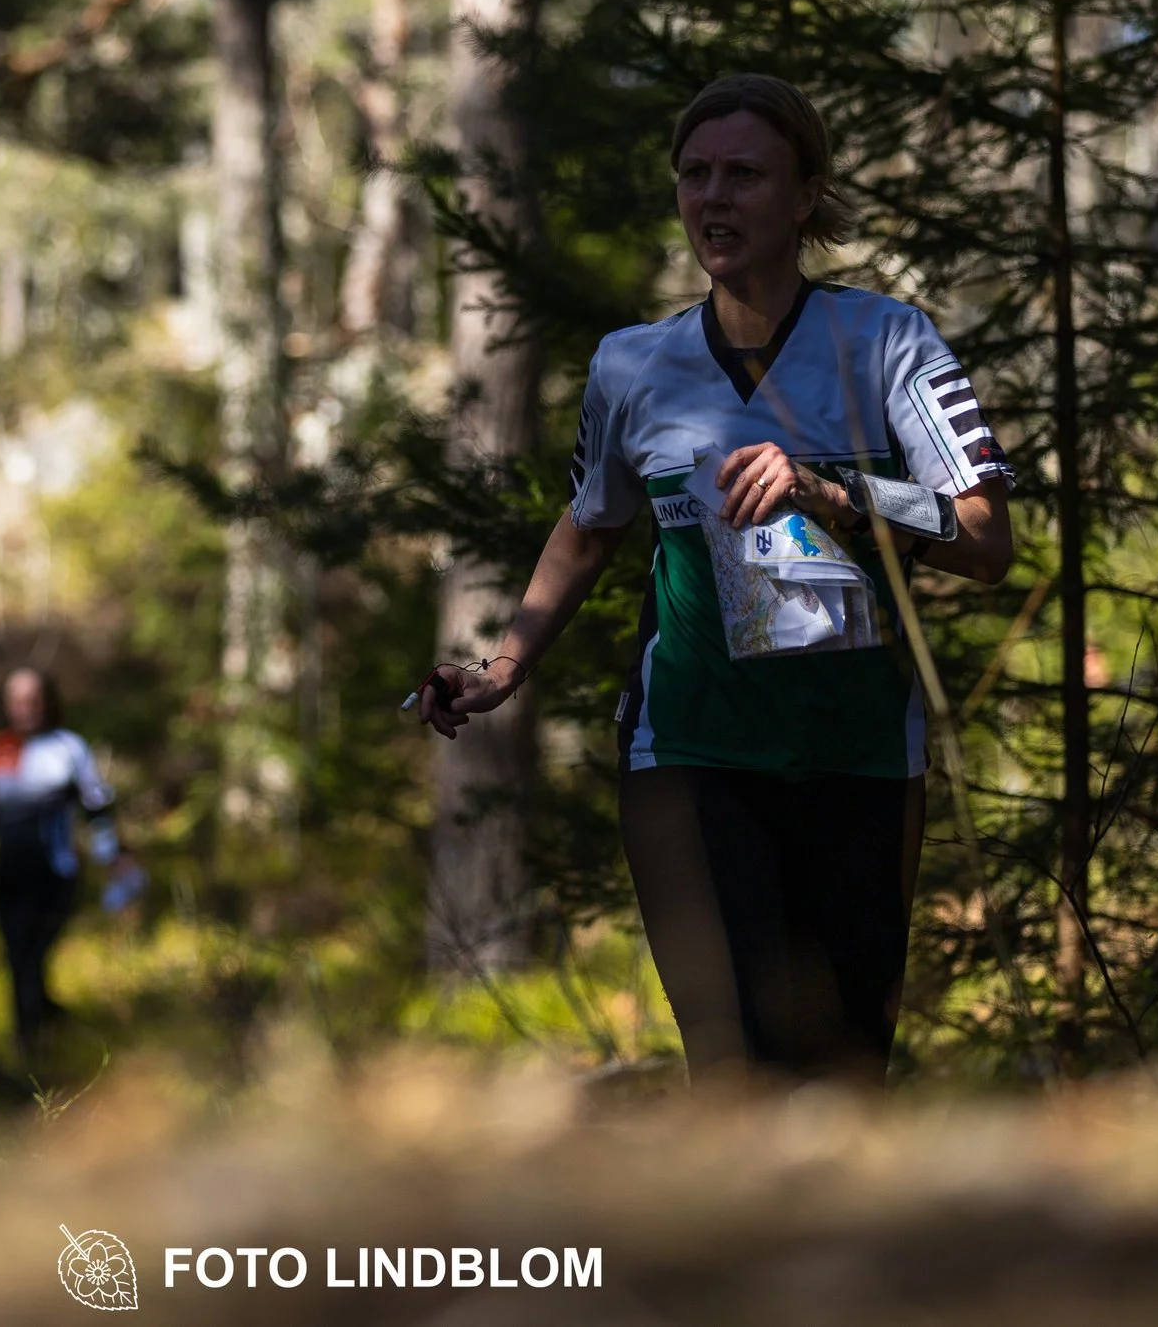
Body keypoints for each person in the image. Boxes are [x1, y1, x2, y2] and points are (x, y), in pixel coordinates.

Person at [417, 73, 1014, 1085]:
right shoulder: (632, 364)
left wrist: (837, 497)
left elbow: (986, 539)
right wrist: (506, 663)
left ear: (804, 192)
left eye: (743, 172)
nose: (713, 196)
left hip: (859, 756)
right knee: (736, 1066)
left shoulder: (886, 340)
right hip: (690, 754)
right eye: (694, 174)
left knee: (843, 1072)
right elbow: (589, 525)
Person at [0, 668, 132, 1061]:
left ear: (48, 701)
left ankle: (39, 1042)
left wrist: (113, 856)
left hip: (55, 874)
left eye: (33, 699)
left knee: (32, 957)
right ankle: (32, 1044)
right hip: (9, 874)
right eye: (17, 700)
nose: (25, 708)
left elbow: (96, 809)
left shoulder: (69, 749)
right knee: (17, 958)